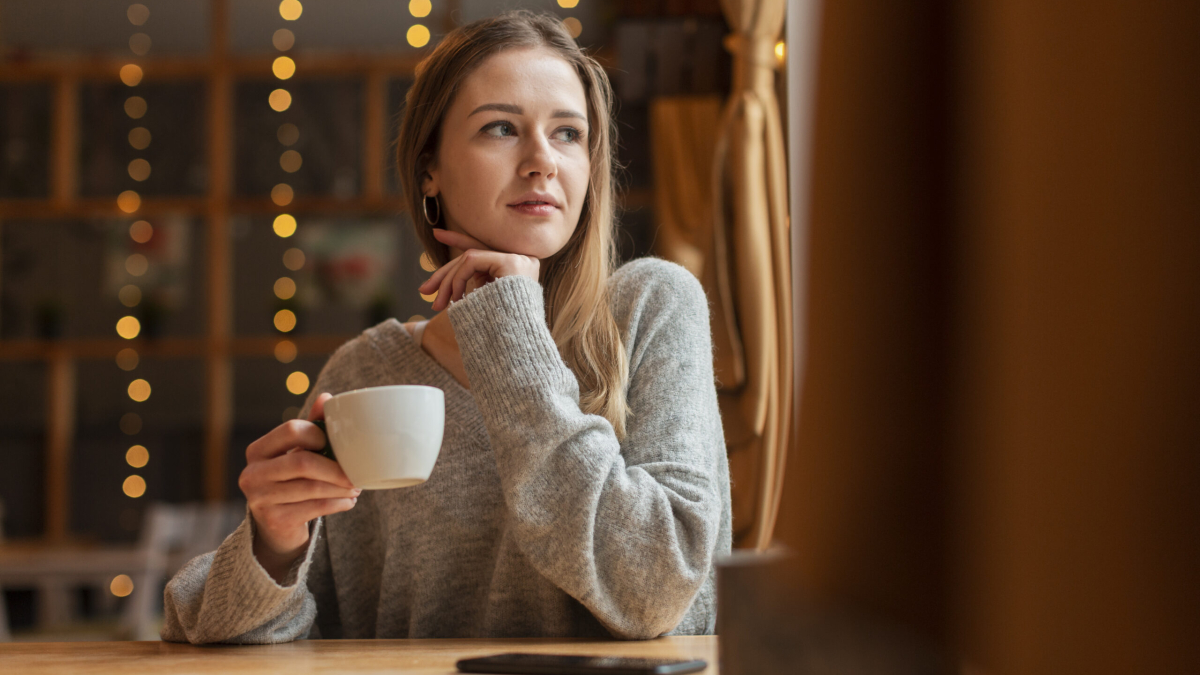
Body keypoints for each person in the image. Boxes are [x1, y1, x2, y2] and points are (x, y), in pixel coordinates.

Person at [160, 9, 731, 644]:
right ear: (429, 167)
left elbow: (658, 591)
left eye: (569, 134)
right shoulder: (366, 371)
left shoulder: (652, 306)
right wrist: (274, 545)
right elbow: (229, 631)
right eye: (501, 128)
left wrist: (512, 337)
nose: (543, 160)